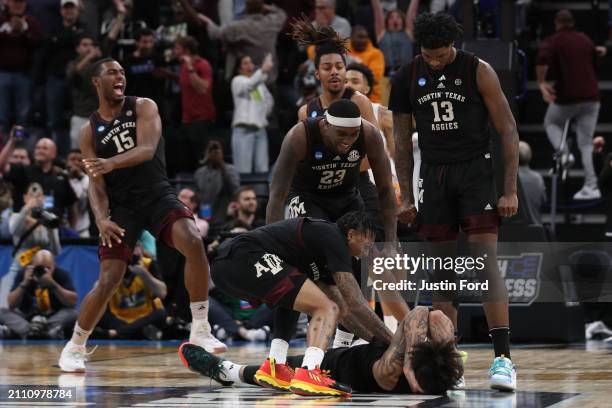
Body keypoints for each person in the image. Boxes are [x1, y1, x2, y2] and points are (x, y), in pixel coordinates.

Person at [58, 57, 226, 373]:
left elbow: (147, 149)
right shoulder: (89, 131)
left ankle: (200, 328)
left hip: (158, 195)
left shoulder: (143, 106)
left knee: (193, 241)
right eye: (112, 72)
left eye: (122, 72)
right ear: (97, 81)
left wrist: (111, 163)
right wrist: (100, 218)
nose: (120, 76)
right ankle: (74, 347)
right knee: (109, 279)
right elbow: (96, 184)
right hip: (122, 208)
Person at [389, 12, 519, 391]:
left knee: (483, 263)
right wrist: (406, 196)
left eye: (441, 54)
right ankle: (451, 360)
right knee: (442, 271)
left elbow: (507, 127)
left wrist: (508, 190)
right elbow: (400, 143)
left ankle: (503, 359)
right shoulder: (405, 77)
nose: (435, 61)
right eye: (429, 55)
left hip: (476, 171)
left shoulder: (479, 69)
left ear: (453, 46)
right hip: (434, 174)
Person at [210, 211, 394, 397]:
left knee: (298, 296)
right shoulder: (333, 236)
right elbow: (355, 303)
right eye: (368, 242)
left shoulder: (323, 255)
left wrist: (376, 343)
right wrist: (394, 342)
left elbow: (345, 312)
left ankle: (275, 365)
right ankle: (310, 371)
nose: (369, 249)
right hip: (241, 256)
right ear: (351, 234)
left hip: (224, 271)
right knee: (326, 307)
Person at [180, 307, 463, 395]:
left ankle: (227, 371)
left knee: (277, 373)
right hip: (367, 350)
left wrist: (408, 366)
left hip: (340, 365)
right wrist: (447, 348)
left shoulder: (393, 369)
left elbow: (420, 313)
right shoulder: (445, 374)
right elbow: (436, 316)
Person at [536, 9, 606, 201]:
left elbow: (542, 60)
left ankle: (565, 153)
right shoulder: (584, 39)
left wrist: (541, 83)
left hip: (568, 97)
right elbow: (596, 54)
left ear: (557, 23)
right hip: (592, 98)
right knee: (585, 143)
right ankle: (592, 185)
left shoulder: (554, 41)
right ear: (573, 22)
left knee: (550, 122)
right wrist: (599, 51)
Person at [0, 182, 61, 309]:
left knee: (43, 309)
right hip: (19, 268)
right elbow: (13, 231)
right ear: (25, 198)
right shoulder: (16, 217)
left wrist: (52, 230)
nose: (36, 199)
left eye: (39, 195)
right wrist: (27, 208)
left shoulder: (49, 219)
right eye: (32, 195)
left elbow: (56, 251)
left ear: (44, 198)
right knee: (5, 307)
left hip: (42, 270)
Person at [198, 0, 287, 83]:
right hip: (268, 78)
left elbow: (215, 34)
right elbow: (282, 14)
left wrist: (208, 22)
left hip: (247, 80)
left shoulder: (238, 27)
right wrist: (267, 7)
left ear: (245, 9)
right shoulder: (271, 22)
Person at [94, 243, 168, 340]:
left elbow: (162, 293)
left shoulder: (149, 264)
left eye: (136, 247)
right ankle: (137, 332)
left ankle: (116, 333)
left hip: (144, 317)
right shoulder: (112, 267)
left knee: (161, 313)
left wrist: (144, 273)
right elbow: (98, 298)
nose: (133, 252)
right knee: (97, 314)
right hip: (120, 319)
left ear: (141, 249)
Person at [0, 133, 77, 223]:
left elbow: (71, 208)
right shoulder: (23, 171)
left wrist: (74, 230)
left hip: (54, 230)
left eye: (44, 148)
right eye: (38, 148)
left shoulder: (61, 177)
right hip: (26, 228)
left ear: (54, 153)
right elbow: (2, 166)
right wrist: (12, 141)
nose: (40, 150)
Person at [0, 250, 77, 339]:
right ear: (31, 265)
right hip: (26, 317)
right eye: (39, 268)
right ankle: (38, 332)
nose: (44, 271)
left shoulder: (61, 274)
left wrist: (54, 285)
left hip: (53, 317)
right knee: (2, 312)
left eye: (48, 268)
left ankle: (26, 332)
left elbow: (72, 303)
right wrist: (24, 284)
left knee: (73, 313)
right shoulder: (24, 274)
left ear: (54, 265)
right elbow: (11, 304)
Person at [41, 0, 84, 153]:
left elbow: (88, 46)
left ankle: (74, 156)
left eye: (72, 8)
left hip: (77, 81)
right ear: (61, 11)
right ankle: (54, 154)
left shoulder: (84, 29)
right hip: (55, 78)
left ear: (78, 10)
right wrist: (71, 38)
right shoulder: (53, 29)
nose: (69, 11)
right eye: (66, 8)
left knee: (77, 118)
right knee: (54, 121)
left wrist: (60, 40)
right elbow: (46, 49)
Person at [173, 35, 216, 173]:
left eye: (177, 48)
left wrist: (191, 68)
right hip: (186, 119)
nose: (174, 50)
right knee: (184, 162)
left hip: (201, 119)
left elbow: (203, 88)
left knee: (202, 161)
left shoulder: (202, 64)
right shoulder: (183, 67)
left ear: (186, 50)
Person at [0, 0, 43, 133]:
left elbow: (38, 44)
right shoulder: (1, 21)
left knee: (22, 116)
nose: (18, 5)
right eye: (15, 2)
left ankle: (19, 148)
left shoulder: (31, 22)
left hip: (24, 74)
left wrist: (24, 30)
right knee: (1, 115)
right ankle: (1, 148)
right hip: (2, 73)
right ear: (8, 3)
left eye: (21, 2)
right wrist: (5, 31)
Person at [231, 54, 274, 174]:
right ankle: (245, 193)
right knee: (243, 171)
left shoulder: (259, 84)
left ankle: (260, 192)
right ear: (239, 69)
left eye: (250, 62)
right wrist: (263, 70)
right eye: (245, 63)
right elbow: (248, 85)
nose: (249, 65)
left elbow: (269, 100)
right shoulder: (237, 81)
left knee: (262, 169)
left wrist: (263, 114)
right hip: (243, 131)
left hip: (260, 130)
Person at [193, 139, 240, 229]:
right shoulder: (199, 172)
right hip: (203, 219)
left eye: (217, 150)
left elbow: (235, 191)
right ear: (206, 152)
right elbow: (198, 195)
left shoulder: (231, 170)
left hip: (224, 219)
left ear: (222, 153)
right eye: (210, 150)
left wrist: (221, 165)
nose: (214, 153)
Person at [67, 33, 102, 149]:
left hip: (100, 115)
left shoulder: (100, 65)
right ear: (77, 49)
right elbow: (72, 75)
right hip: (80, 115)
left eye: (91, 45)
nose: (88, 48)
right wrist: (89, 57)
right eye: (85, 45)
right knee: (77, 151)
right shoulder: (72, 64)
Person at [372, 0, 414, 78]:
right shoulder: (381, 33)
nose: (395, 20)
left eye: (398, 17)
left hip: (407, 74)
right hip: (386, 75)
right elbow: (377, 12)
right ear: (387, 22)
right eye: (391, 17)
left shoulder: (408, 33)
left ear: (403, 21)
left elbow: (412, 13)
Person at [347, 25, 385, 103]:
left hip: (372, 100)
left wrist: (359, 65)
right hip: (345, 100)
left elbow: (375, 78)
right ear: (351, 37)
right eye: (360, 37)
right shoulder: (344, 51)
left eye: (365, 37)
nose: (363, 40)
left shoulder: (376, 53)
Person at [518, 141, 546, 225]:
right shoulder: (538, 178)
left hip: (513, 231)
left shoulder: (507, 178)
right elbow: (543, 201)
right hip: (536, 230)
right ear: (530, 156)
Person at [65, 149, 91, 237]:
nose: (76, 163)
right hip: (63, 230)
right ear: (66, 162)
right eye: (72, 159)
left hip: (82, 231)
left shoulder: (88, 180)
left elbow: (82, 198)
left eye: (80, 160)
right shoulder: (60, 178)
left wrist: (80, 176)